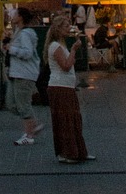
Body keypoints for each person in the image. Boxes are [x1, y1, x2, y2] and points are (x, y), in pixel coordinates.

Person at [44, 15, 94, 164]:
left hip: (67, 86)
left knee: (74, 119)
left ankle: (79, 151)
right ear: (58, 29)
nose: (69, 29)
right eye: (66, 26)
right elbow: (66, 66)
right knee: (65, 120)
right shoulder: (55, 46)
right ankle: (67, 152)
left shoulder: (61, 44)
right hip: (59, 86)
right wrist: (73, 50)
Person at [7, 7, 43, 145]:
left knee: (23, 105)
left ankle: (29, 135)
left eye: (15, 14)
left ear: (21, 17)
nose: (13, 16)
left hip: (24, 73)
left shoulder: (26, 34)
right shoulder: (18, 32)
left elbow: (27, 53)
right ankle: (33, 125)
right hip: (16, 72)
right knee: (11, 104)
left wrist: (12, 49)